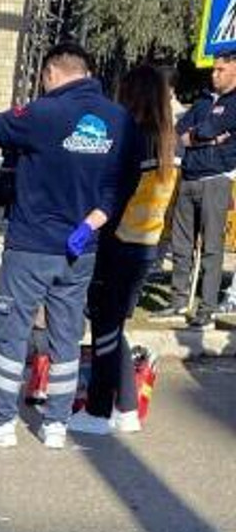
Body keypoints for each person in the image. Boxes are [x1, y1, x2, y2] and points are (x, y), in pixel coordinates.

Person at [0, 42, 136, 450]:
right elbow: (126, 181)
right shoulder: (119, 120)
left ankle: (0, 420)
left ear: (51, 74)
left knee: (12, 330)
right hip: (82, 247)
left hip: (31, 245)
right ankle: (56, 423)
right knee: (67, 335)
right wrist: (93, 221)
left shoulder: (42, 113)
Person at [68, 65, 177, 436]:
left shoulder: (132, 139)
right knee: (113, 326)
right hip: (146, 244)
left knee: (105, 328)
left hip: (118, 243)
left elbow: (114, 194)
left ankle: (101, 410)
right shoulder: (168, 142)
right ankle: (124, 407)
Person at [160, 50, 236, 328]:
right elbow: (180, 132)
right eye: (213, 69)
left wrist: (202, 136)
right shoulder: (203, 99)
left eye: (220, 70)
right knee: (181, 244)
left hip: (216, 178)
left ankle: (207, 307)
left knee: (212, 248)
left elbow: (207, 129)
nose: (214, 75)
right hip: (189, 176)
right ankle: (178, 300)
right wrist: (208, 138)